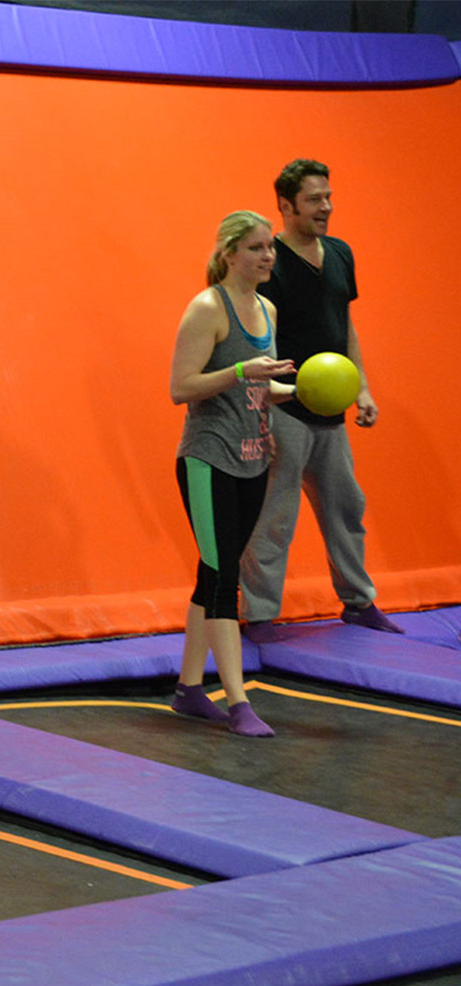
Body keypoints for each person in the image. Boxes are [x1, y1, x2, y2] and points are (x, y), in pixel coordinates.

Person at [240, 159, 402, 641]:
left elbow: (343, 325)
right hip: (284, 410)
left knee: (346, 507)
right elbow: (255, 337)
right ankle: (261, 614)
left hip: (332, 410)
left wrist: (362, 387)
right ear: (286, 206)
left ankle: (358, 602)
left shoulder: (340, 253)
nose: (325, 207)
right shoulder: (270, 263)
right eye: (314, 200)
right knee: (275, 516)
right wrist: (260, 411)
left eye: (328, 197)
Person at [169, 211, 296, 738]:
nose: (267, 256)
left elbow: (260, 388)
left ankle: (188, 689)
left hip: (253, 457)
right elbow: (181, 387)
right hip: (209, 458)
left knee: (212, 573)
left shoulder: (265, 308)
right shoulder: (206, 308)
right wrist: (242, 370)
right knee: (224, 581)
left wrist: (301, 390)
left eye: (270, 247)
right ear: (229, 254)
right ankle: (239, 702)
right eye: (256, 248)